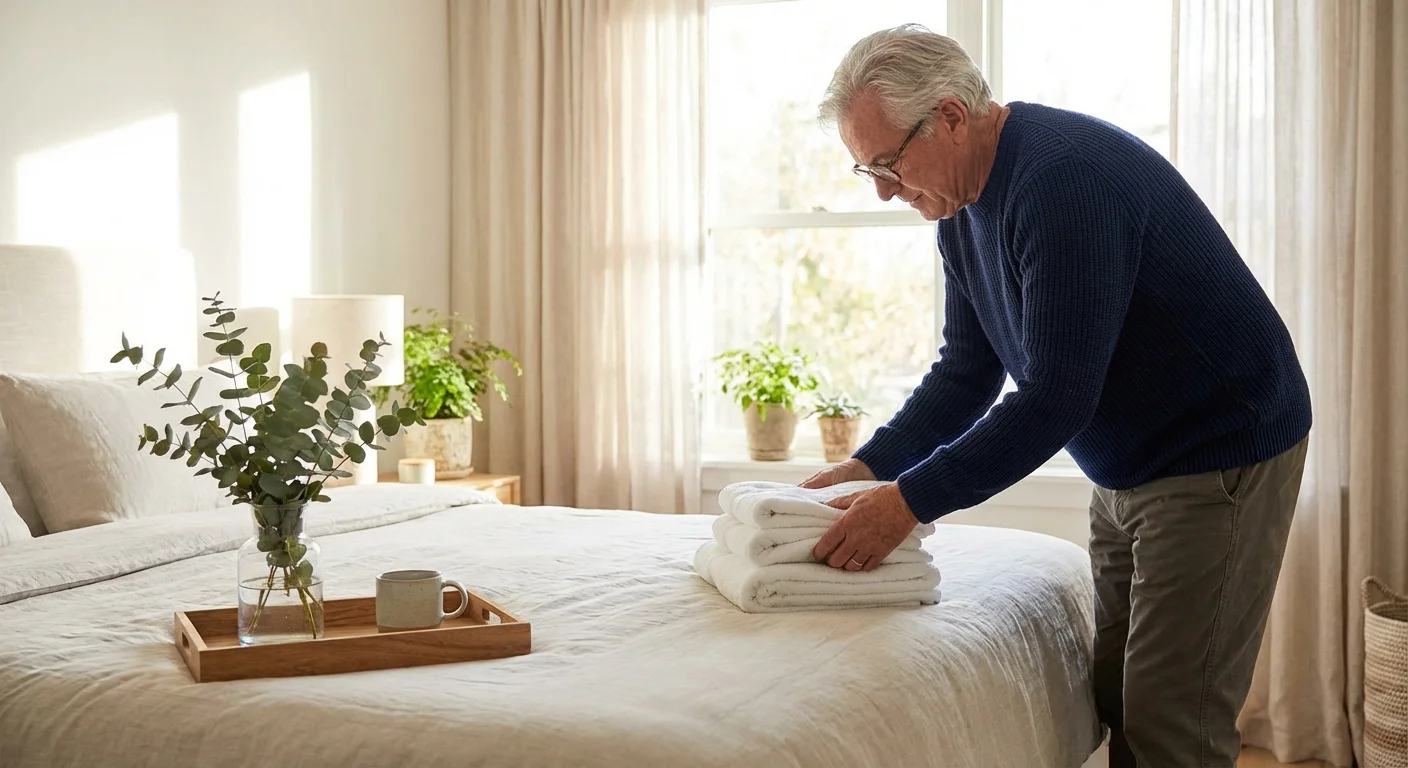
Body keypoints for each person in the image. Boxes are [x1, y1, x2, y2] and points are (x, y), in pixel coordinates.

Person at [799, 24, 1312, 768]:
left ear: (949, 117)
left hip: (1218, 449)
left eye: (887, 162)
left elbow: (1056, 397)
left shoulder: (1062, 181)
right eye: (863, 171)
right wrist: (871, 467)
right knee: (1116, 693)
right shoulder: (958, 211)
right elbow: (965, 374)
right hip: (1130, 458)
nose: (882, 188)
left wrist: (909, 502)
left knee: (1174, 718)